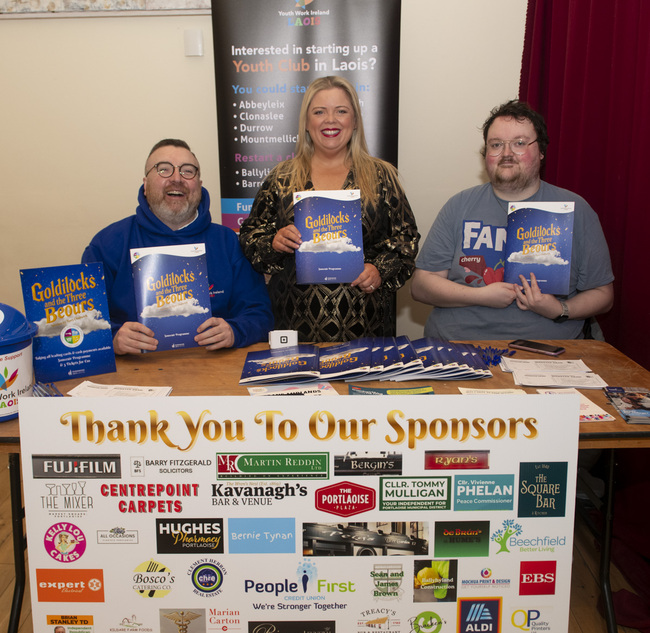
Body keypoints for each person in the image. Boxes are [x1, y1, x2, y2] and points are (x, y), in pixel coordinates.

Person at [411, 100, 614, 340]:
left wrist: (559, 309)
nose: (506, 154)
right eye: (496, 145)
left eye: (519, 143)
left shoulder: (575, 209)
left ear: (541, 151)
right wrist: (481, 296)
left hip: (546, 347)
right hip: (458, 343)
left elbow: (603, 294)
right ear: (486, 154)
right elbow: (421, 286)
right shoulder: (459, 206)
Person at [238, 75, 419, 342]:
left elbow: (406, 241)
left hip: (366, 327)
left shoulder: (382, 176)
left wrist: (379, 269)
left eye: (341, 111)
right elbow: (250, 237)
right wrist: (273, 243)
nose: (330, 120)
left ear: (355, 121)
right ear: (306, 122)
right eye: (319, 112)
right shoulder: (281, 178)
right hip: (294, 326)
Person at [82, 139, 273, 354]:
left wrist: (234, 331)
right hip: (135, 368)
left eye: (187, 171)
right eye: (163, 169)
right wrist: (113, 338)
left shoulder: (228, 242)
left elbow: (260, 315)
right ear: (145, 185)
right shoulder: (107, 244)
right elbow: (82, 325)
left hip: (213, 366)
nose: (176, 179)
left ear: (199, 185)